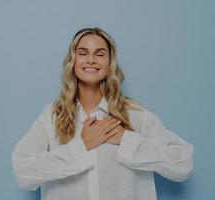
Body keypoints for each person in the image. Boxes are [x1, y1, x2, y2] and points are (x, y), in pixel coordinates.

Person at [11, 27, 194, 200]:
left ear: (109, 64)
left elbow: (183, 163)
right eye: (83, 53)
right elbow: (23, 172)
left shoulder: (133, 114)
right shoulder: (53, 115)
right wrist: (82, 146)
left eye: (100, 54)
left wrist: (126, 140)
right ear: (73, 61)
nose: (91, 60)